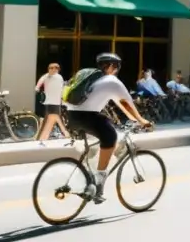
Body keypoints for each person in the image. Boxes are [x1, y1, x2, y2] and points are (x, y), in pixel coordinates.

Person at [62, 53, 152, 203]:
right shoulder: (112, 81)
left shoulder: (89, 77)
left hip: (71, 116)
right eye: (116, 67)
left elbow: (120, 103)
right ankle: (99, 183)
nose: (116, 70)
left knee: (98, 137)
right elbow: (126, 103)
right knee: (110, 137)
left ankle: (89, 178)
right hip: (88, 117)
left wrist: (132, 116)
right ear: (110, 66)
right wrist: (142, 121)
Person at [35, 62, 67, 143]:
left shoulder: (60, 77)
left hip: (57, 101)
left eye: (56, 68)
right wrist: (37, 88)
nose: (53, 69)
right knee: (48, 117)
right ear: (48, 69)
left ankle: (59, 133)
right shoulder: (46, 76)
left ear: (58, 69)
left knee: (58, 117)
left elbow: (62, 88)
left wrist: (63, 99)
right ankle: (45, 134)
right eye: (51, 68)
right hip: (48, 101)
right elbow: (39, 83)